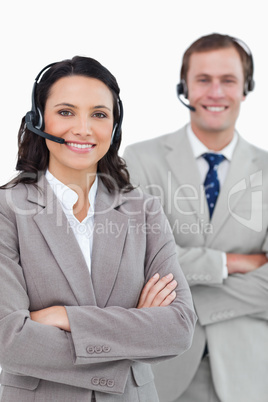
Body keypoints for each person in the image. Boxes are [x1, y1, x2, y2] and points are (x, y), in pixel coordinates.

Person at [0, 56, 197, 402]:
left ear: (115, 128)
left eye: (99, 114)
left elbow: (179, 328)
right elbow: (10, 339)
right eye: (65, 112)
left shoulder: (144, 210)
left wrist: (64, 318)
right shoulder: (7, 210)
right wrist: (134, 333)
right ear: (38, 120)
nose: (83, 128)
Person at [123, 33, 268, 402]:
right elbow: (132, 264)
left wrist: (177, 301)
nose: (215, 92)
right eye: (203, 80)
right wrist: (229, 263)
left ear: (246, 88)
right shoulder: (141, 159)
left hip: (249, 376)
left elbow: (157, 274)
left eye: (228, 80)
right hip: (162, 371)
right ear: (184, 88)